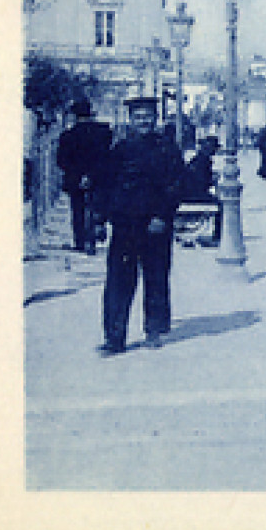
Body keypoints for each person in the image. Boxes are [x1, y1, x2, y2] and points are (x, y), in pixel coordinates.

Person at [92, 96, 186, 355]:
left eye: (147, 117)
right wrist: (99, 219)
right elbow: (105, 184)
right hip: (125, 225)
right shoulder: (119, 150)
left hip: (155, 225)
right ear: (130, 120)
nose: (143, 121)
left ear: (154, 119)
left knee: (156, 277)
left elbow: (176, 186)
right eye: (138, 117)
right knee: (118, 281)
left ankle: (153, 330)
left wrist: (162, 216)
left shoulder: (168, 149)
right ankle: (115, 337)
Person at [56, 98, 112, 255]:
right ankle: (96, 232)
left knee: (78, 209)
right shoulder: (104, 132)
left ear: (74, 115)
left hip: (75, 178)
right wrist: (91, 174)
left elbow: (61, 161)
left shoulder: (67, 136)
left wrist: (79, 175)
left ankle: (80, 241)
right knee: (98, 205)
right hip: (99, 176)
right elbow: (106, 157)